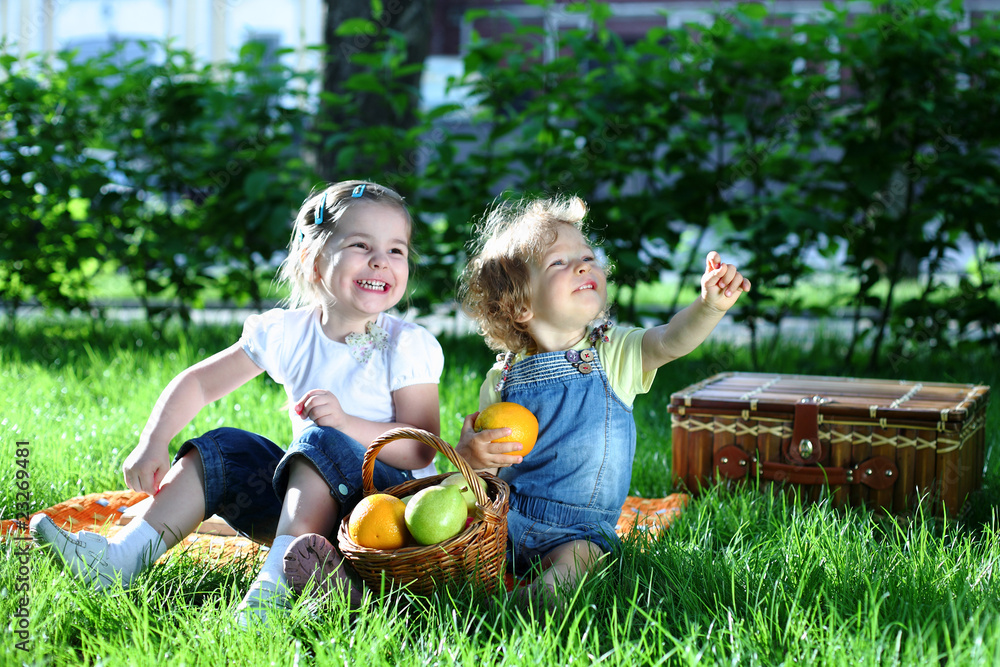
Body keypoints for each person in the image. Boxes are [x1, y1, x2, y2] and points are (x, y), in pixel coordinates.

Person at [30, 180, 444, 624]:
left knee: (320, 439)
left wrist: (344, 423)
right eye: (362, 245)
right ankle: (119, 558)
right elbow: (201, 384)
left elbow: (420, 448)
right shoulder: (288, 333)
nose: (381, 260)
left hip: (385, 514)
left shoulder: (406, 345)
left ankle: (271, 597)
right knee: (223, 448)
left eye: (396, 250)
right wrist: (154, 441)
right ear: (315, 260)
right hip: (301, 512)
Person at [454, 195, 750, 606]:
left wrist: (708, 307)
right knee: (453, 541)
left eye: (589, 256)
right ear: (521, 304)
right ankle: (381, 584)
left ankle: (528, 602)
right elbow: (494, 473)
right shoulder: (501, 379)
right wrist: (474, 458)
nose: (584, 265)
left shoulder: (613, 353)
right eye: (559, 262)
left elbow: (669, 340)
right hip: (509, 518)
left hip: (578, 532)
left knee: (580, 566)